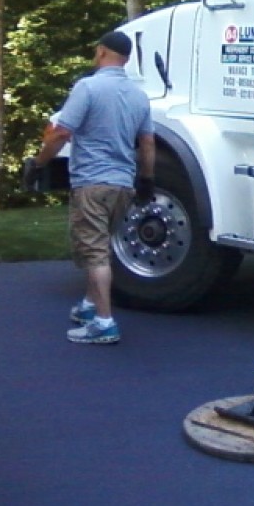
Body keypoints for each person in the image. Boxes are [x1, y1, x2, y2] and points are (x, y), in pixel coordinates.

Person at [24, 30, 155, 344]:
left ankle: (103, 322)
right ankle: (88, 305)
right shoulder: (139, 96)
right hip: (123, 185)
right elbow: (147, 143)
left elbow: (59, 134)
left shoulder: (88, 87)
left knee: (95, 253)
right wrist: (147, 180)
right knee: (101, 244)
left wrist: (38, 163)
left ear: (101, 52)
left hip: (92, 182)